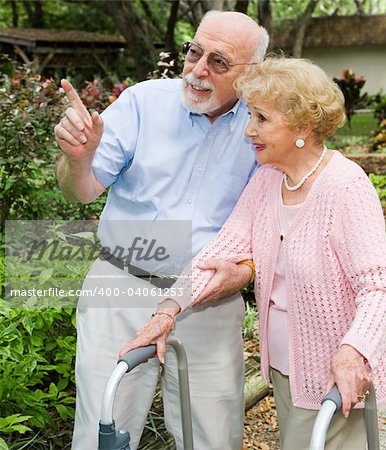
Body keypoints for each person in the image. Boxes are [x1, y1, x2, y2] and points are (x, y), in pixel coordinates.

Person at [122, 57, 386, 450]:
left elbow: (381, 292)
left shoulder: (345, 187)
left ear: (303, 125)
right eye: (250, 116)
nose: (248, 130)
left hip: (335, 376)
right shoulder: (269, 180)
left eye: (262, 119)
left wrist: (352, 352)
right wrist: (167, 311)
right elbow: (219, 254)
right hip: (287, 370)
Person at [54, 10, 269, 450]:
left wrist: (245, 271)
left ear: (252, 74)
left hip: (208, 299)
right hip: (122, 284)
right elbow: (82, 192)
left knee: (212, 436)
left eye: (219, 62)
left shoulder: (262, 125)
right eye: (194, 52)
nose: (198, 70)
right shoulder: (142, 102)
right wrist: (78, 157)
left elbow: (269, 222)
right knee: (103, 430)